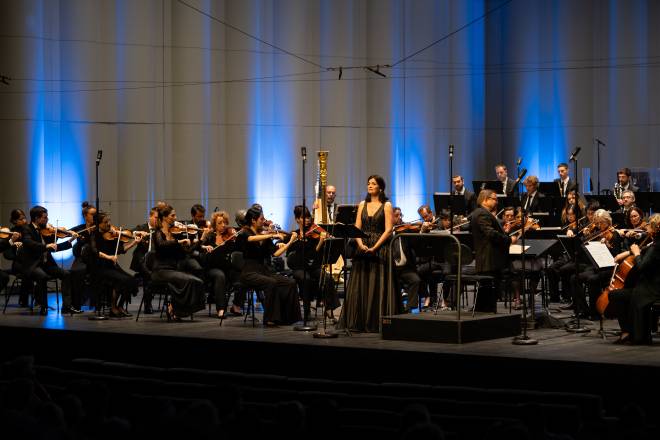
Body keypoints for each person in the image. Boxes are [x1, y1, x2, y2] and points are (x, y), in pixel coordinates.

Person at [337, 175, 394, 332]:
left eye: (373, 184)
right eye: (368, 183)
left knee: (377, 283)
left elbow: (389, 229)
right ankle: (359, 321)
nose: (370, 186)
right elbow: (357, 226)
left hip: (380, 248)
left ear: (380, 188)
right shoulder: (362, 204)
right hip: (362, 247)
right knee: (361, 283)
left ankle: (375, 322)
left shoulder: (387, 205)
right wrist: (360, 244)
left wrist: (375, 247)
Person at [236, 206, 301, 326]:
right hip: (249, 272)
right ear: (253, 221)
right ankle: (271, 318)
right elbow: (250, 239)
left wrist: (290, 242)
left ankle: (287, 318)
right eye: (261, 219)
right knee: (271, 283)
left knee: (290, 282)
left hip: (263, 270)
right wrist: (270, 235)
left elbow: (275, 253)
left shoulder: (264, 236)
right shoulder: (244, 232)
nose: (264, 221)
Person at [16, 206, 78, 315]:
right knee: (42, 277)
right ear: (36, 218)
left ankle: (67, 307)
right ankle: (43, 307)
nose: (47, 220)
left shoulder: (46, 231)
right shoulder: (26, 229)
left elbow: (54, 247)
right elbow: (28, 243)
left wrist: (71, 240)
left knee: (66, 274)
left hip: (46, 264)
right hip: (33, 265)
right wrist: (45, 246)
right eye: (45, 217)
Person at [607, 214, 659, 344]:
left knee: (615, 295)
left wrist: (636, 254)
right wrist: (629, 252)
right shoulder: (656, 244)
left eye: (649, 227)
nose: (647, 230)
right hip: (654, 285)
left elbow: (641, 266)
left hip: (651, 290)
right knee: (624, 293)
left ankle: (628, 331)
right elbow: (644, 249)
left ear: (654, 229)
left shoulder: (655, 247)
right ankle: (630, 331)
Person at [151, 204, 205, 320]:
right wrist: (179, 242)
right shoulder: (157, 233)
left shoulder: (176, 234)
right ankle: (175, 309)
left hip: (173, 270)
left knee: (197, 281)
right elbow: (161, 245)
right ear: (164, 217)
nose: (175, 218)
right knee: (188, 280)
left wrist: (200, 240)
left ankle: (177, 309)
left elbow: (188, 252)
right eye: (172, 215)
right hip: (160, 271)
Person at [286, 205, 340, 322]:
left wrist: (321, 241)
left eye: (308, 217)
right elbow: (291, 256)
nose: (307, 220)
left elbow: (315, 255)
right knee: (306, 279)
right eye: (304, 218)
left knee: (327, 278)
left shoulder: (314, 235)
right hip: (299, 268)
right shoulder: (294, 235)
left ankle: (330, 309)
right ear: (297, 219)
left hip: (312, 267)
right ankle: (306, 310)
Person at [570, 209, 622, 320]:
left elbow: (616, 256)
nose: (599, 225)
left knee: (592, 279)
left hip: (610, 269)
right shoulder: (598, 233)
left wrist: (607, 245)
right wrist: (586, 236)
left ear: (608, 221)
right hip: (598, 266)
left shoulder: (614, 235)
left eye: (601, 222)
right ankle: (584, 310)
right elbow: (584, 246)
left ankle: (595, 313)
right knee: (574, 278)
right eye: (597, 223)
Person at [471, 190, 517, 312]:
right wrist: (508, 239)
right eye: (494, 199)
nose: (496, 201)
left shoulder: (481, 213)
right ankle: (487, 317)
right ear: (485, 199)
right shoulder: (482, 213)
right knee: (488, 292)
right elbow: (490, 233)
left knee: (486, 291)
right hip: (489, 258)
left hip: (488, 258)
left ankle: (483, 315)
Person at [89, 211, 140, 317]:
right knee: (122, 280)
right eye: (105, 222)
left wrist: (134, 242)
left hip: (112, 266)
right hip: (100, 267)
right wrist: (109, 257)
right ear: (99, 224)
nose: (108, 224)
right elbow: (94, 251)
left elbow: (121, 249)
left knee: (132, 280)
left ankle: (120, 306)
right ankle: (113, 307)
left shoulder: (111, 235)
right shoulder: (95, 234)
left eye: (109, 221)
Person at [200, 210, 243, 319]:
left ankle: (236, 305)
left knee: (243, 275)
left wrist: (237, 239)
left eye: (224, 222)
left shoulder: (230, 237)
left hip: (227, 268)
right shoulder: (209, 237)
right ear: (214, 224)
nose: (223, 225)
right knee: (220, 276)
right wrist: (205, 247)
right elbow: (201, 252)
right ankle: (221, 308)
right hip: (212, 269)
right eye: (220, 223)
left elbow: (240, 247)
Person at [391, 207, 422, 312]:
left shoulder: (405, 230)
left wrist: (422, 229)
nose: (399, 217)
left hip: (405, 268)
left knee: (415, 280)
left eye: (401, 215)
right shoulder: (386, 231)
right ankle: (394, 307)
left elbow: (416, 242)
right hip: (391, 268)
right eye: (396, 215)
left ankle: (409, 308)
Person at [69, 201, 97, 312]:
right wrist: (73, 235)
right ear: (85, 216)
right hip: (82, 258)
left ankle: (97, 302)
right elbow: (66, 233)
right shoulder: (80, 228)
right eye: (92, 215)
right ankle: (75, 305)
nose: (95, 217)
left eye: (96, 215)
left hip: (96, 257)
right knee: (75, 272)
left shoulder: (99, 228)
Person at [130, 206, 159, 313]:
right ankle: (148, 304)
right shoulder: (142, 227)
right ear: (150, 217)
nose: (157, 220)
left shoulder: (159, 230)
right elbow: (129, 232)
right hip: (142, 258)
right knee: (148, 275)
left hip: (155, 260)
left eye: (159, 218)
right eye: (156, 217)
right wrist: (137, 234)